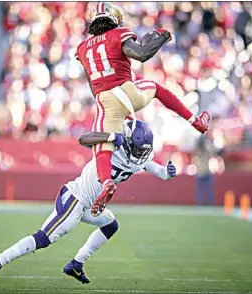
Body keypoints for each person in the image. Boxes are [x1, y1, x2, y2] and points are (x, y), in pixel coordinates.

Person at [0, 120, 177, 290]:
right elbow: (84, 139)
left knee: (110, 224)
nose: (140, 153)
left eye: (142, 150)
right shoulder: (112, 146)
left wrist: (168, 172)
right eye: (137, 148)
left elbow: (159, 171)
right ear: (127, 141)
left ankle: (76, 263)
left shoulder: (139, 158)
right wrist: (110, 137)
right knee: (44, 238)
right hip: (76, 198)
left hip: (91, 205)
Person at [74, 2, 211, 216]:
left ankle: (106, 182)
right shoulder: (118, 34)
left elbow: (93, 86)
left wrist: (116, 109)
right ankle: (196, 121)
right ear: (113, 18)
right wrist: (162, 37)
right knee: (155, 88)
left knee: (102, 147)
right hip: (127, 92)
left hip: (104, 100)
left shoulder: (83, 48)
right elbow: (141, 54)